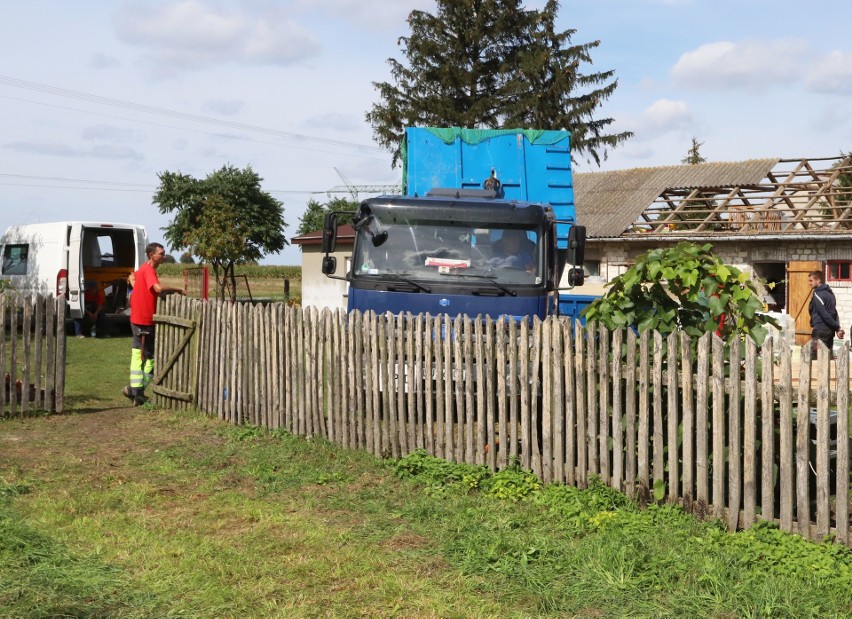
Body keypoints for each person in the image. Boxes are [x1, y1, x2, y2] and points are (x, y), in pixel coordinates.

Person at [123, 242, 184, 406]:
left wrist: (135, 284)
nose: (163, 256)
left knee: (138, 353)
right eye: (161, 253)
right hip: (145, 320)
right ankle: (137, 393)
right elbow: (157, 288)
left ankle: (134, 391)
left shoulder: (143, 268)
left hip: (136, 318)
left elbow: (132, 277)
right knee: (149, 357)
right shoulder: (149, 270)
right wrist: (178, 289)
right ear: (152, 255)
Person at [808, 270, 844, 353]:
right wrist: (837, 328)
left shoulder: (817, 294)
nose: (809, 283)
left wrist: (836, 326)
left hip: (820, 330)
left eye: (811, 281)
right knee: (827, 356)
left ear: (818, 280)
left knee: (816, 357)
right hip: (830, 331)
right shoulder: (830, 294)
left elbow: (824, 314)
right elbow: (835, 312)